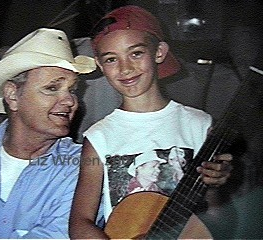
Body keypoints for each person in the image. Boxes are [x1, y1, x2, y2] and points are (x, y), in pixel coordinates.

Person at [69, 5, 233, 239]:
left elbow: (216, 219)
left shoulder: (199, 124)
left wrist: (216, 185)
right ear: (100, 64)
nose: (125, 68)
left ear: (159, 52)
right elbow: (80, 223)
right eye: (111, 59)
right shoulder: (99, 137)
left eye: (136, 53)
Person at [0, 28, 96, 239]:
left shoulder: (83, 167)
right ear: (13, 95)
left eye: (72, 90)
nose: (70, 101)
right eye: (52, 88)